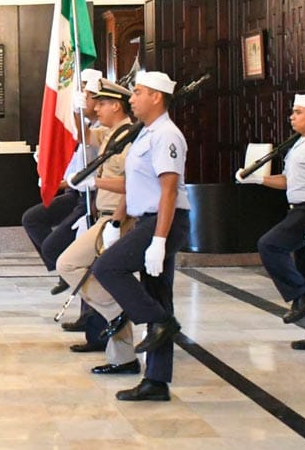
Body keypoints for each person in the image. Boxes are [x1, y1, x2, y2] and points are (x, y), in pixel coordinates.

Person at [91, 70, 191, 402]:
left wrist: (159, 240)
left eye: (137, 92)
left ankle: (161, 321)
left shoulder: (167, 135)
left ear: (156, 97)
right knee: (157, 294)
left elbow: (168, 191)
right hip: (149, 219)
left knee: (107, 268)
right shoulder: (146, 133)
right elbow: (137, 185)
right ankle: (156, 381)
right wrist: (117, 222)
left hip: (164, 220)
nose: (131, 99)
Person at [237, 93, 305, 351]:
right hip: (301, 210)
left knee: (269, 245)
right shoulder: (300, 144)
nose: (292, 117)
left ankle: (301, 294)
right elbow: (288, 180)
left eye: (298, 112)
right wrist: (257, 179)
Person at [56, 79, 140, 374]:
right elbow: (85, 136)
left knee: (68, 264)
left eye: (101, 103)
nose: (97, 108)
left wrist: (115, 216)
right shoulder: (110, 133)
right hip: (103, 214)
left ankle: (118, 311)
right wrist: (77, 111)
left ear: (116, 106)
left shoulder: (130, 138)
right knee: (105, 281)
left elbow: (132, 185)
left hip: (117, 217)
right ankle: (123, 357)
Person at [22, 69, 102, 295]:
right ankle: (64, 268)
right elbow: (74, 164)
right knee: (32, 219)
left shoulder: (98, 130)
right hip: (74, 193)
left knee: (54, 246)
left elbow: (88, 172)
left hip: (90, 196)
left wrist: (62, 183)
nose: (80, 94)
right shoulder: (82, 126)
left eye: (85, 91)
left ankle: (67, 266)